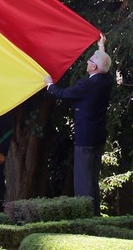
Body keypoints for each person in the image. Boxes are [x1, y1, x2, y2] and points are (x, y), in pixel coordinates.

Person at [44, 36, 113, 216]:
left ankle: (86, 215)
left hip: (86, 137)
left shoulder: (87, 84)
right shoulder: (106, 80)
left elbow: (63, 93)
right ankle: (94, 213)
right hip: (98, 136)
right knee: (92, 177)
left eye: (90, 60)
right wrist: (101, 47)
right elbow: (104, 65)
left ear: (94, 67)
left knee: (83, 178)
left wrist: (49, 85)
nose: (87, 62)